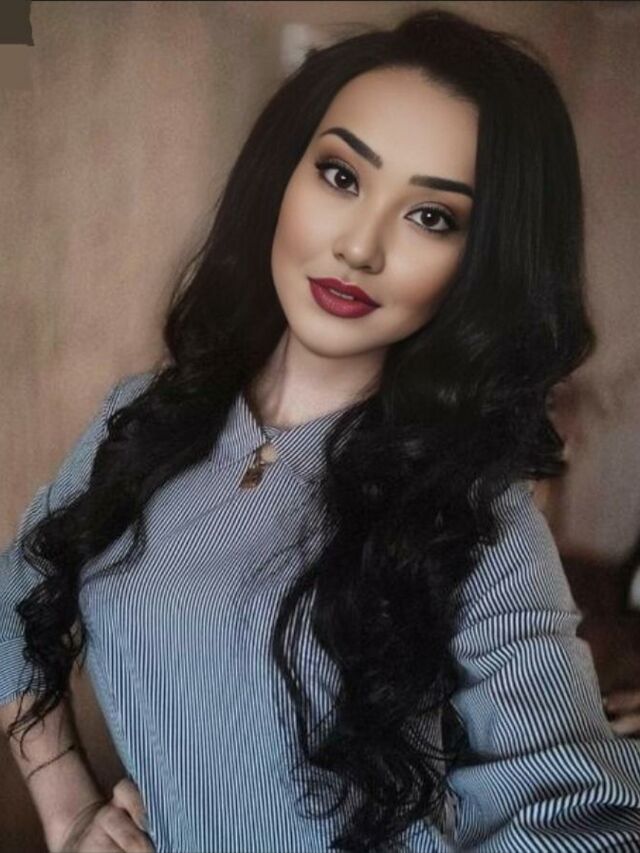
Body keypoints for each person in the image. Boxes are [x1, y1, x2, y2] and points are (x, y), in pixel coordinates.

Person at [2, 8, 640, 852]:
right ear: (284, 176)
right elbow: (17, 596)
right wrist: (67, 808)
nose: (360, 247)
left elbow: (583, 816)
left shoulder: (474, 513)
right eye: (342, 175)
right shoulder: (148, 416)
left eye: (432, 217)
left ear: (479, 263)